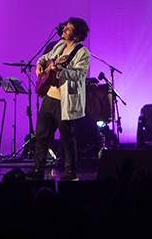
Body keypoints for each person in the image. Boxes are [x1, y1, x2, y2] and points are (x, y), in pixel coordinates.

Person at [26, 17, 90, 181]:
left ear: (76, 36)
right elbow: (45, 57)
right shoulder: (60, 45)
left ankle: (70, 171)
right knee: (41, 135)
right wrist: (41, 65)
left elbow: (79, 74)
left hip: (65, 100)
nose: (64, 30)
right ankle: (38, 170)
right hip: (50, 96)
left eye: (68, 29)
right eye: (65, 27)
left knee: (66, 138)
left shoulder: (82, 52)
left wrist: (60, 69)